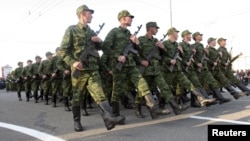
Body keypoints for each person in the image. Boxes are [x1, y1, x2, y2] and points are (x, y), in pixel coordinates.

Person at [60, 5, 125, 132]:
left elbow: (102, 48)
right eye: (90, 13)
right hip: (79, 70)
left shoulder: (92, 32)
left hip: (93, 69)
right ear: (83, 14)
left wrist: (98, 41)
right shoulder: (71, 30)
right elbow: (63, 50)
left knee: (99, 93)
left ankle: (109, 119)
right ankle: (77, 121)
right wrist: (73, 62)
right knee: (77, 97)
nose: (92, 16)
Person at [103, 10, 169, 121]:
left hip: (131, 65)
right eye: (129, 17)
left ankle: (154, 108)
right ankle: (115, 114)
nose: (131, 19)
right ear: (123, 18)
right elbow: (105, 47)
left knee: (142, 84)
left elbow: (137, 51)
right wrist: (117, 56)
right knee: (117, 90)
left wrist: (137, 44)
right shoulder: (114, 32)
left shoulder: (129, 34)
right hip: (119, 66)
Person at [137, 22, 188, 116]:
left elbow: (164, 55)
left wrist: (163, 48)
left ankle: (176, 108)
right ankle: (138, 109)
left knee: (165, 88)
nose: (157, 30)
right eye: (155, 28)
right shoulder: (141, 39)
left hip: (156, 70)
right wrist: (141, 61)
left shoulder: (156, 41)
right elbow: (135, 53)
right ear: (150, 28)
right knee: (143, 92)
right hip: (146, 70)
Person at [161, 28, 215, 108]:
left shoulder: (177, 45)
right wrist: (170, 60)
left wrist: (183, 53)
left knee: (191, 84)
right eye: (176, 32)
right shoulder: (165, 43)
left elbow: (182, 57)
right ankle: (161, 105)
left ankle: (201, 99)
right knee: (167, 88)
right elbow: (162, 57)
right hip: (169, 70)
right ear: (172, 33)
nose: (177, 34)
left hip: (180, 69)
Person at [179, 30, 217, 107]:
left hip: (191, 68)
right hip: (183, 69)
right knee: (181, 88)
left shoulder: (190, 46)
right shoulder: (180, 44)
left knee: (197, 84)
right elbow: (178, 57)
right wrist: (186, 62)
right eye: (189, 34)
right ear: (186, 36)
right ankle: (174, 103)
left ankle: (205, 99)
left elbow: (192, 57)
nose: (190, 36)